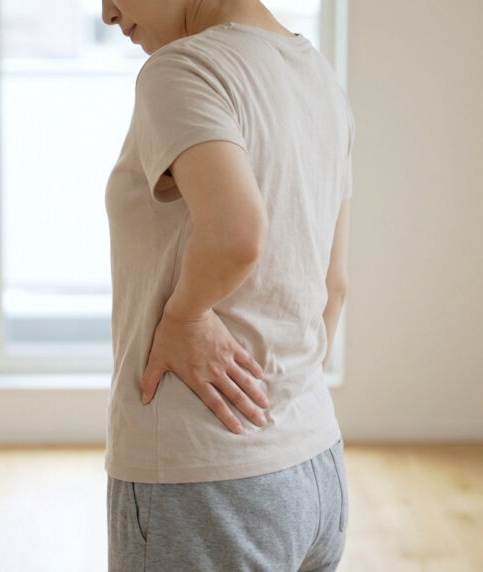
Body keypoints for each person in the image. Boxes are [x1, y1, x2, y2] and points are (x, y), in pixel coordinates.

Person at [101, 0, 353, 570]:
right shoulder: (316, 75)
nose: (107, 14)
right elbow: (332, 285)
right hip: (315, 463)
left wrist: (185, 317)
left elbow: (238, 233)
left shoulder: (183, 69)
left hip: (204, 478)